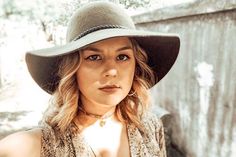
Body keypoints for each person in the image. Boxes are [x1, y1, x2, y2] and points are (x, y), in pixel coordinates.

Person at [0, 1, 180, 157]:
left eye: (123, 57)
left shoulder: (149, 127)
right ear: (72, 69)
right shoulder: (42, 144)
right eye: (94, 57)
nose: (111, 71)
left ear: (136, 66)